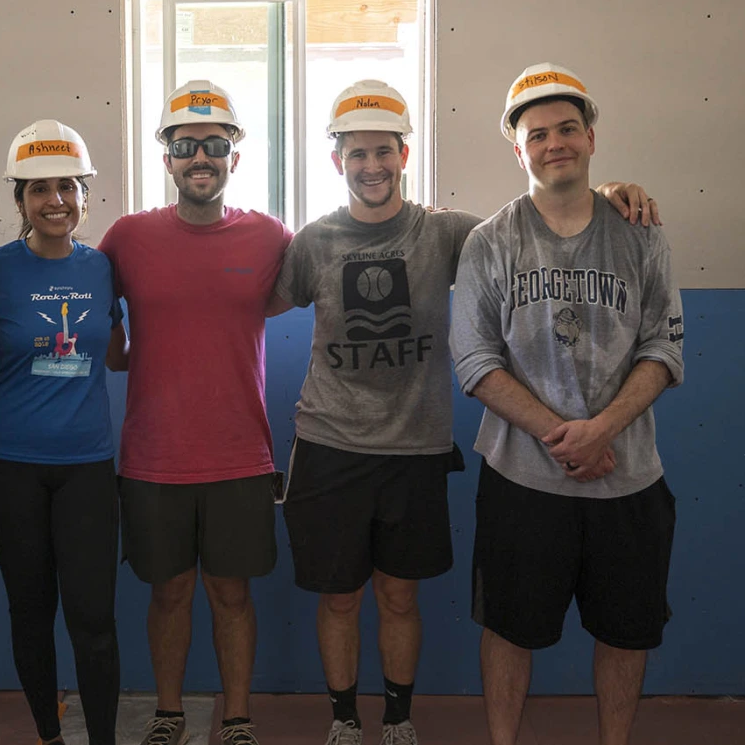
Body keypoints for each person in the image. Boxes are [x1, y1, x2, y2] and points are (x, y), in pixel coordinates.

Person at [267, 79, 659, 745]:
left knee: (398, 596)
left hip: (414, 446)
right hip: (328, 442)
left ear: (404, 154)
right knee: (338, 597)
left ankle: (395, 718)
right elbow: (263, 304)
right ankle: (342, 720)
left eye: (383, 151)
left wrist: (610, 190)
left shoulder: (449, 232)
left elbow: (541, 220)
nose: (371, 166)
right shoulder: (312, 241)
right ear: (337, 161)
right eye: (357, 153)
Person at [449, 63, 683, 745]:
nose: (556, 143)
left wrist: (602, 429)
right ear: (516, 148)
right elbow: (475, 361)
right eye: (539, 132)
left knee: (625, 631)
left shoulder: (640, 228)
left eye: (568, 129)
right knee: (508, 628)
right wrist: (565, 436)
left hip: (629, 477)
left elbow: (665, 348)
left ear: (590, 137)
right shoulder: (490, 241)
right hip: (523, 480)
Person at [98, 80, 292, 745]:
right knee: (169, 594)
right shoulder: (126, 237)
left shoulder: (271, 237)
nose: (199, 157)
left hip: (241, 455)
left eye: (214, 144)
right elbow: (94, 319)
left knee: (232, 595)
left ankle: (236, 716)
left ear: (234, 156)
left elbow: (350, 250)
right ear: (167, 158)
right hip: (153, 457)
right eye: (186, 146)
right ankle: (170, 711)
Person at [0, 119, 128, 745]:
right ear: (18, 202)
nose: (55, 200)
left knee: (93, 618)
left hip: (88, 467)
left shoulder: (103, 270)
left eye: (67, 186)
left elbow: (118, 352)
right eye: (38, 189)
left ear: (85, 195)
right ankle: (49, 736)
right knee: (31, 615)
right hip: (8, 467)